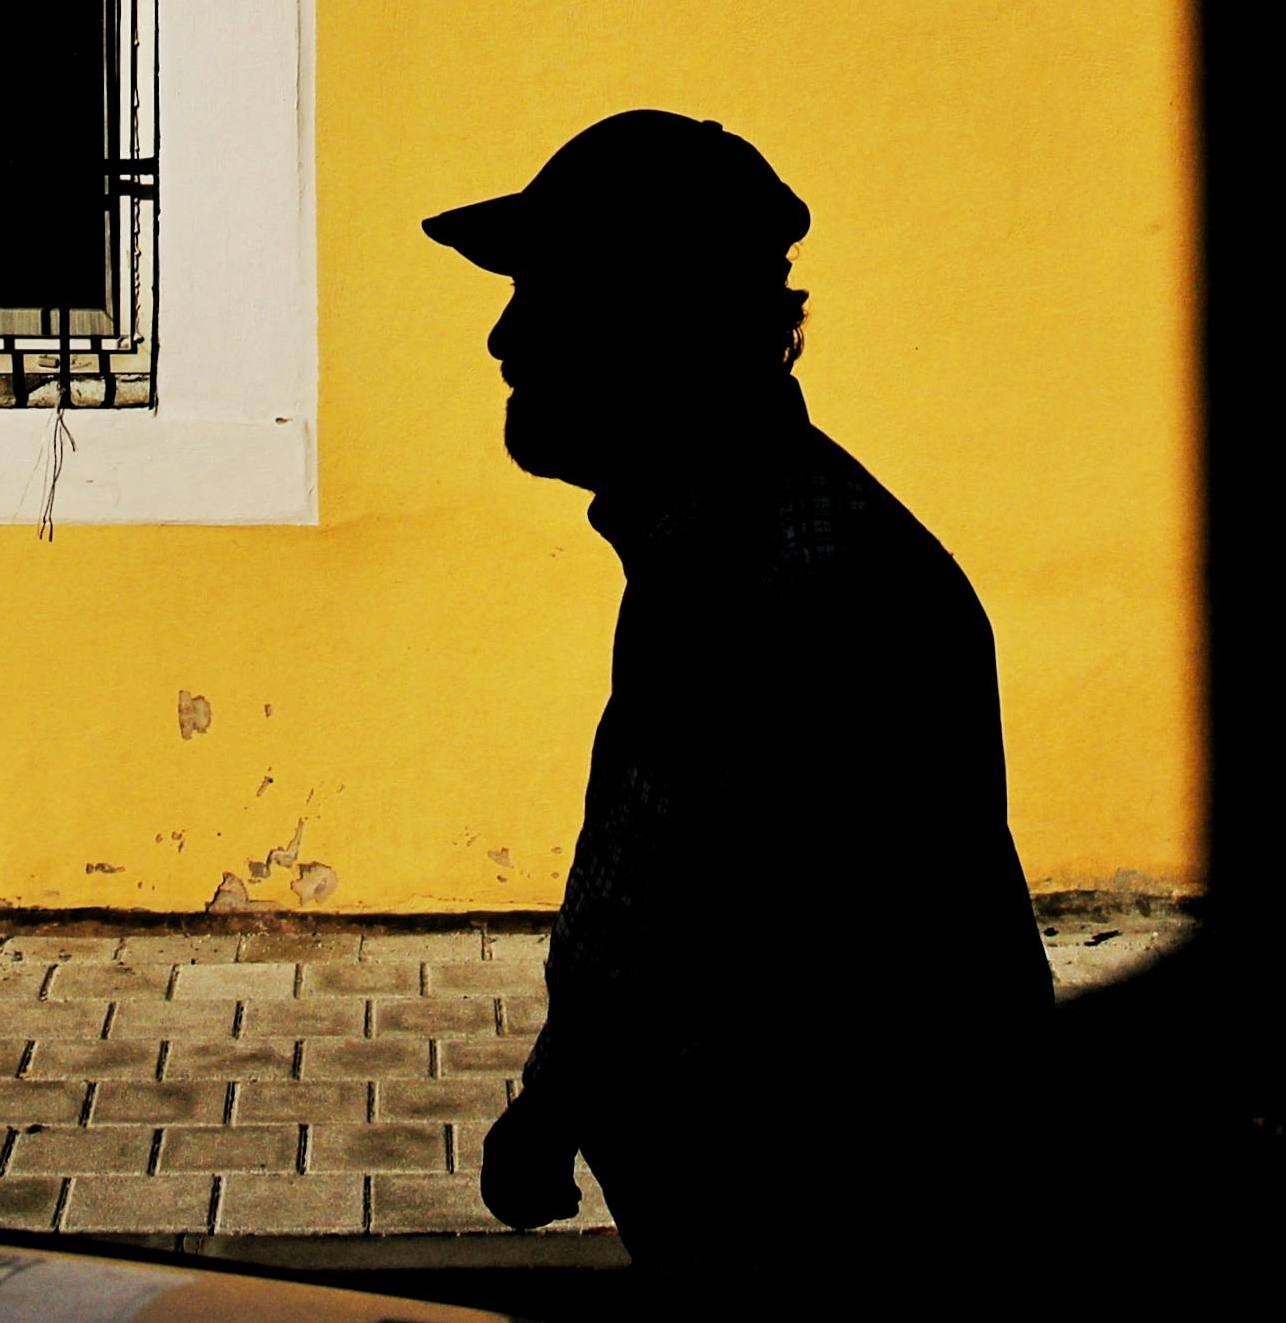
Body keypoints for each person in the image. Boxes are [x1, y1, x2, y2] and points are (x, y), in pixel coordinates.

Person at [429, 110, 1053, 1303]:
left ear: (658, 326)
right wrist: (559, 1100)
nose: (506, 337)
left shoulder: (807, 595)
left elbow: (829, 1025)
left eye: (548, 295)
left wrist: (575, 1106)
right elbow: (651, 877)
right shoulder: (708, 549)